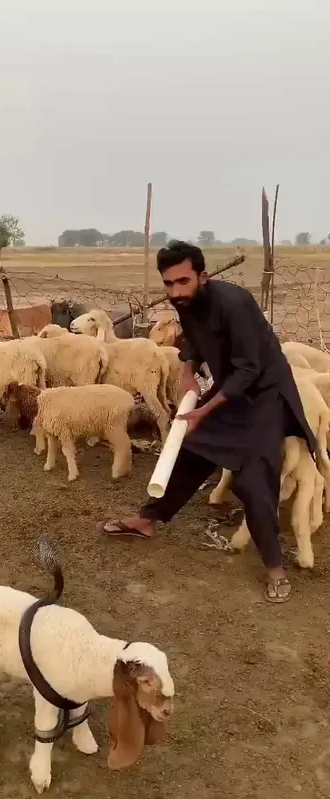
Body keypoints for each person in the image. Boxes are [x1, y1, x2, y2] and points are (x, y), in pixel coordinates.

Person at [103, 240, 316, 604]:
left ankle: (275, 567)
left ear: (202, 276)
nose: (175, 291)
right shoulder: (187, 304)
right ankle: (149, 519)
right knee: (190, 447)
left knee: (254, 477)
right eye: (169, 284)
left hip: (265, 395)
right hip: (230, 389)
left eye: (183, 281)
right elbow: (194, 342)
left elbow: (249, 368)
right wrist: (187, 371)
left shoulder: (236, 304)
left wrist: (205, 408)